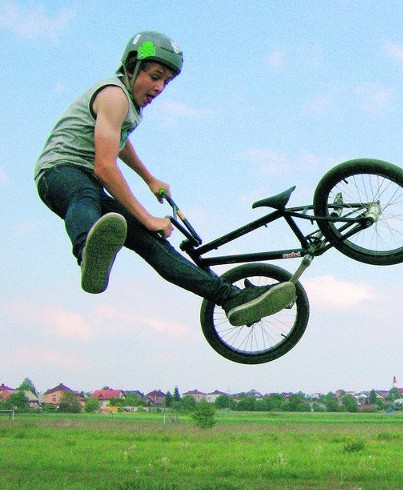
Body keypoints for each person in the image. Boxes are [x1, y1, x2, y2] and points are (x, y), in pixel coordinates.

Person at [34, 31, 295, 327]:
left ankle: (230, 298)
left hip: (87, 187)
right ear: (132, 67)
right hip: (58, 172)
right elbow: (104, 168)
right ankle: (88, 252)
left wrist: (149, 178)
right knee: (84, 195)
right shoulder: (114, 95)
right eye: (155, 76)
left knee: (154, 244)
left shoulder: (128, 107)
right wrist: (146, 216)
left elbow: (119, 142)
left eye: (166, 82)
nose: (159, 87)